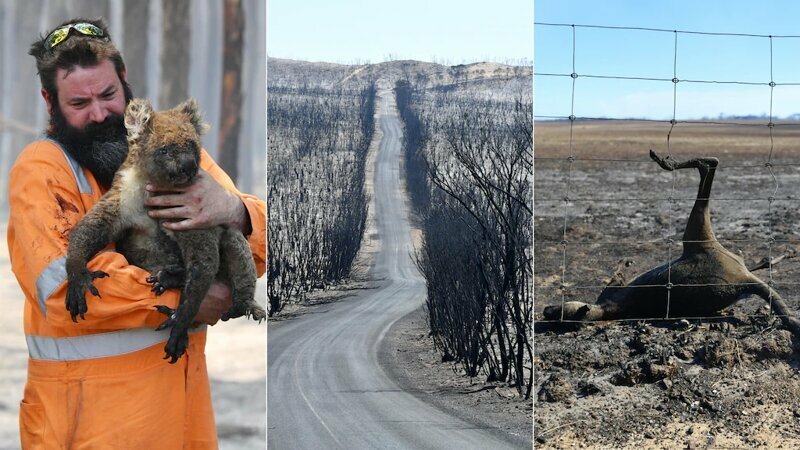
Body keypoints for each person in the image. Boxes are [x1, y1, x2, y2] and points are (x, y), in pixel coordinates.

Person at [7, 18, 266, 448]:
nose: (99, 113)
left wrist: (234, 211)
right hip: (88, 427)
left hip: (182, 420)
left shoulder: (167, 149)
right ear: (49, 101)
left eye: (108, 94)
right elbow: (59, 286)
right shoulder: (42, 169)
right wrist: (184, 298)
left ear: (124, 81)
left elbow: (260, 246)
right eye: (79, 102)